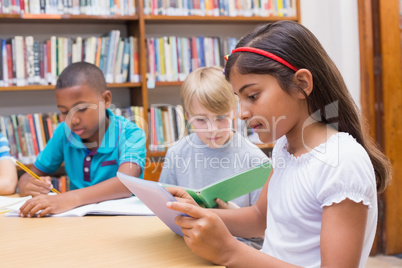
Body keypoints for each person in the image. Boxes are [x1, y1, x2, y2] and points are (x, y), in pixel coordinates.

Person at [166, 21, 392, 268]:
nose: (241, 113)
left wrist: (230, 251)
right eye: (239, 99)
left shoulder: (341, 162)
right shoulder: (286, 148)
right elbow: (260, 217)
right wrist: (198, 214)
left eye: (252, 96)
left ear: (301, 84)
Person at [159, 66, 269, 248]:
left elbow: (266, 231)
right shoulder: (177, 153)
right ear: (188, 117)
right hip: (187, 243)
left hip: (238, 247)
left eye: (220, 117)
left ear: (234, 111)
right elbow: (164, 207)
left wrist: (234, 216)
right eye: (201, 120)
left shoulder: (255, 160)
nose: (213, 129)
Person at [17, 62, 146, 217]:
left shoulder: (131, 134)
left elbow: (126, 184)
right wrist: (27, 186)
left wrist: (70, 198)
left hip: (124, 221)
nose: (73, 120)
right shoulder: (63, 133)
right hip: (79, 221)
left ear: (106, 100)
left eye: (82, 109)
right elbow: (28, 175)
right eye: (64, 112)